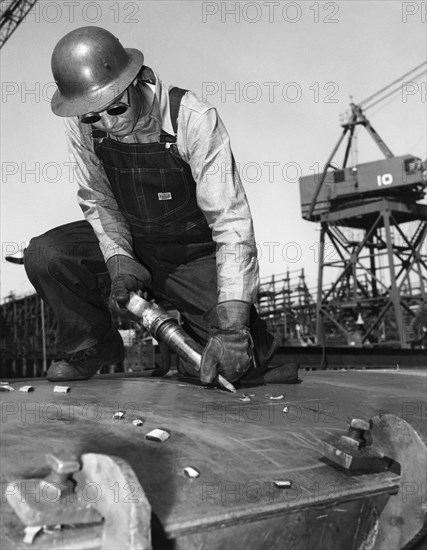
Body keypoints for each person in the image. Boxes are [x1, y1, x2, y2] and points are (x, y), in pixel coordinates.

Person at [24, 26, 296, 386]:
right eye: (93, 117)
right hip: (133, 243)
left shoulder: (192, 119)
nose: (108, 124)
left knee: (230, 366)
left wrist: (231, 327)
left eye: (116, 109)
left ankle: (244, 343)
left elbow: (230, 222)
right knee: (47, 255)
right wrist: (120, 261)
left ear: (137, 81)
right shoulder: (83, 123)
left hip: (190, 254)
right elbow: (99, 198)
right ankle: (93, 345)